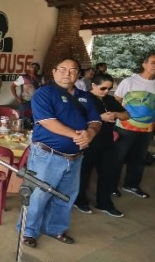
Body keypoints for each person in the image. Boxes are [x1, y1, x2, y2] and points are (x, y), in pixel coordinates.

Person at [18, 58, 101, 248]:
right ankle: (28, 231)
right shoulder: (44, 93)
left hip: (75, 157)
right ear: (54, 72)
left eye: (72, 70)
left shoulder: (85, 97)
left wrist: (90, 133)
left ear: (78, 74)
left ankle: (54, 228)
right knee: (38, 195)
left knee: (65, 196)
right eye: (62, 69)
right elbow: (47, 121)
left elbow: (95, 121)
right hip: (46, 156)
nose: (67, 73)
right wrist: (77, 136)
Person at [73, 73, 128, 218]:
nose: (106, 91)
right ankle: (80, 200)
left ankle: (104, 203)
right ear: (93, 85)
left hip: (107, 141)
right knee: (83, 172)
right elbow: (74, 119)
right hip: (88, 141)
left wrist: (115, 114)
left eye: (109, 89)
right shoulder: (83, 98)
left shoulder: (110, 99)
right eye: (103, 88)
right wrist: (100, 117)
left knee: (107, 173)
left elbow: (127, 115)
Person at [111, 53, 155, 199]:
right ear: (144, 64)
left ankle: (131, 184)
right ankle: (111, 186)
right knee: (117, 157)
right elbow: (116, 101)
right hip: (125, 128)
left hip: (147, 129)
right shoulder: (129, 81)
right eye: (153, 62)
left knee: (139, 158)